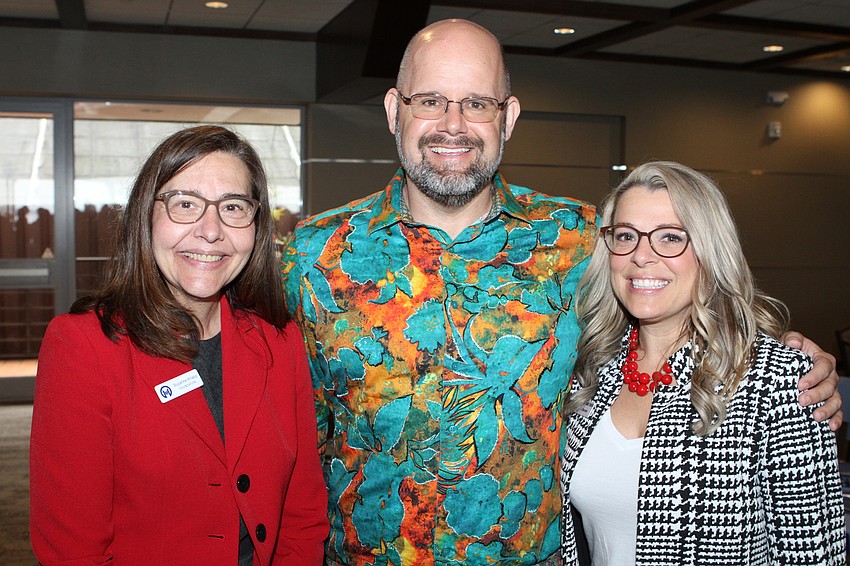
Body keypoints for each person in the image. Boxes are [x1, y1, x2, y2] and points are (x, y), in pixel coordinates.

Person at [280, 19, 842, 566]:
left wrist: (789, 358)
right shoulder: (309, 257)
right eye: (429, 100)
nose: (452, 123)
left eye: (477, 103)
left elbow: (681, 290)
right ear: (392, 110)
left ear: (509, 117)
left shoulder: (582, 240)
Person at [30, 125, 329, 565]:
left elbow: (302, 515)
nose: (211, 231)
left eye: (233, 207)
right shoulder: (83, 348)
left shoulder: (278, 343)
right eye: (185, 204)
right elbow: (72, 550)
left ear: (256, 225)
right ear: (146, 217)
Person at [561, 161, 845, 565]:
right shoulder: (591, 368)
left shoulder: (778, 380)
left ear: (711, 251)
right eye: (625, 236)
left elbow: (813, 555)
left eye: (671, 237)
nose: (641, 256)